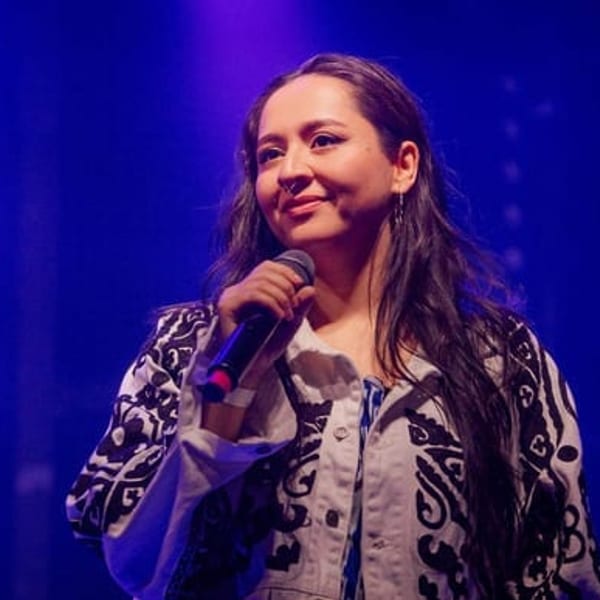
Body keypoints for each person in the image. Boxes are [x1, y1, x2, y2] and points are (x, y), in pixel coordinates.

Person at [66, 53, 600, 599]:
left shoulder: (499, 358)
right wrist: (229, 394)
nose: (290, 172)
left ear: (402, 166)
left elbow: (558, 568)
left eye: (322, 141)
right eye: (270, 154)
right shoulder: (192, 345)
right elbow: (132, 557)